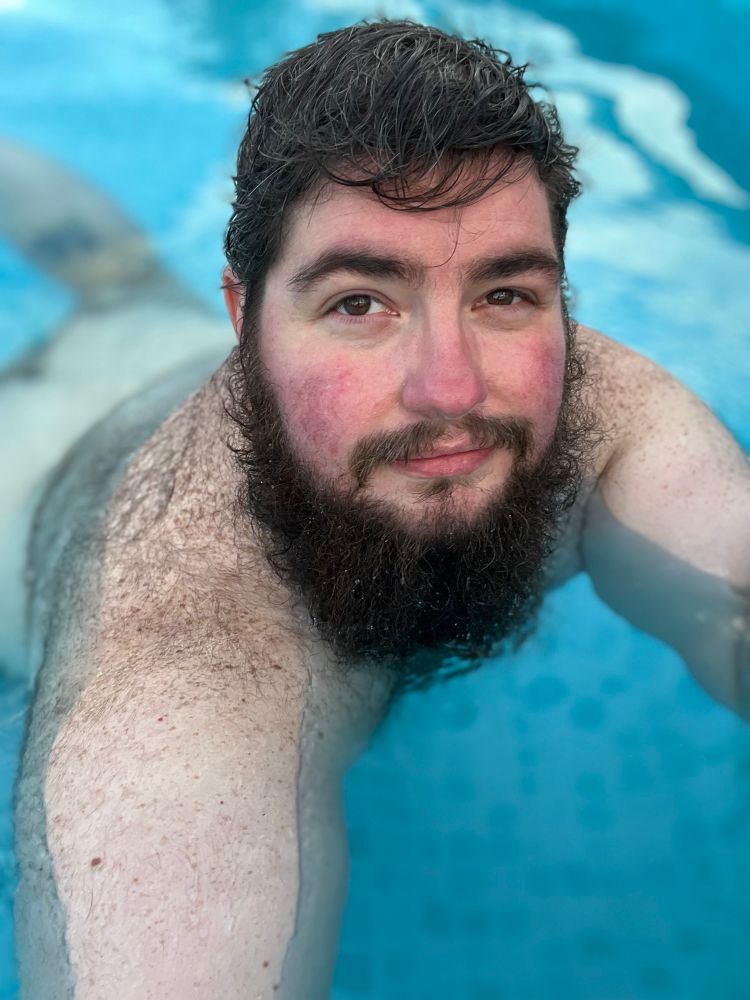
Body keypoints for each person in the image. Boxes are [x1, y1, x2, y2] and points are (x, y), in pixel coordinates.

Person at [9, 19, 749, 1000]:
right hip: (26, 488)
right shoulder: (175, 714)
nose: (452, 389)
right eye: (362, 301)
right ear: (249, 319)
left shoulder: (597, 416)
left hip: (135, 324)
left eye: (505, 295)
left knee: (113, 274)